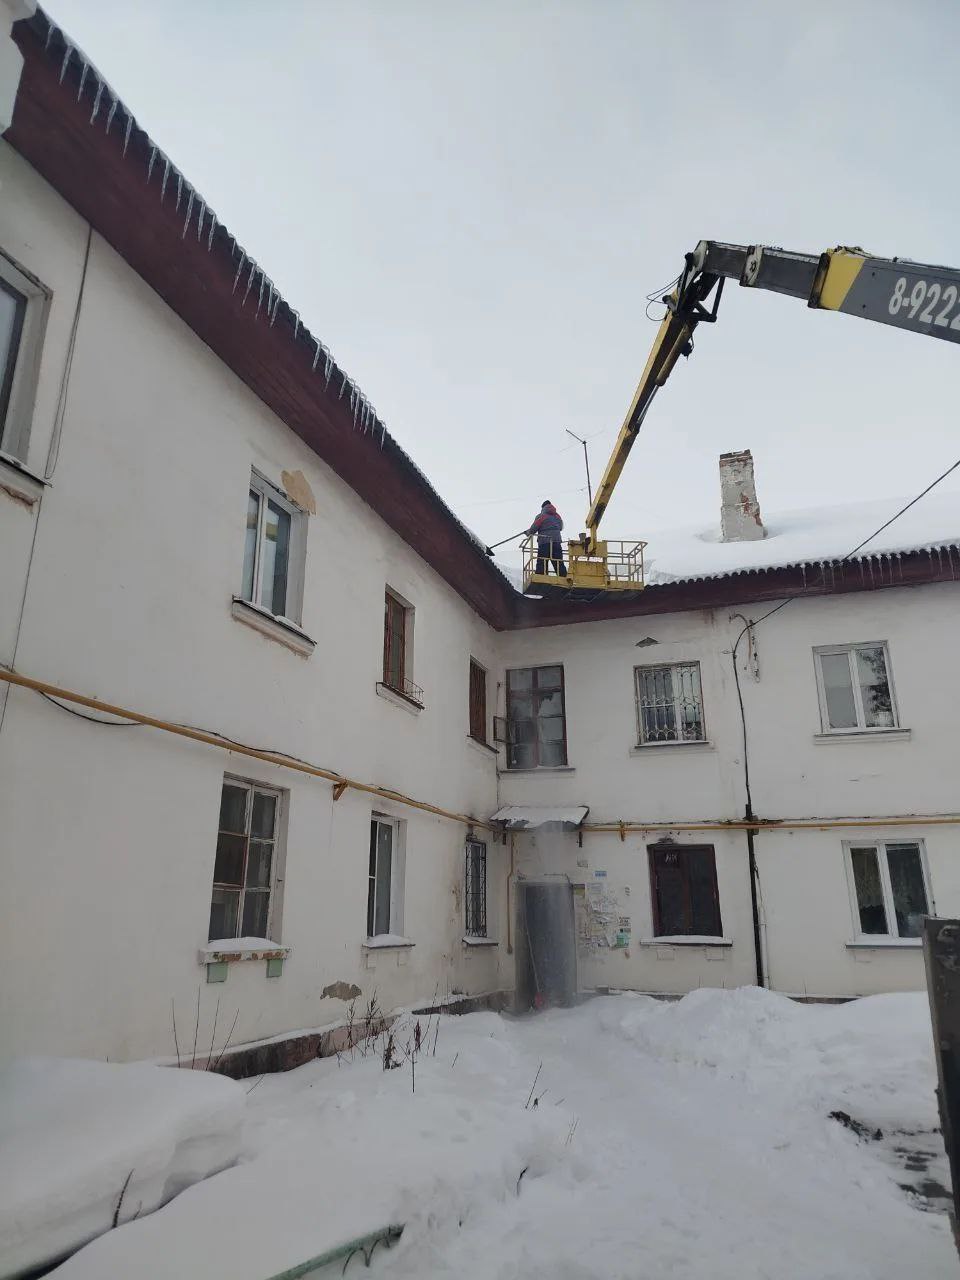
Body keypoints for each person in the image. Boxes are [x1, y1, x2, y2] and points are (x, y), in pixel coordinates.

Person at [526, 500, 567, 576]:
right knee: (558, 562)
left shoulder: (541, 516)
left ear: (543, 508)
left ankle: (540, 577)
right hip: (556, 542)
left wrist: (528, 532)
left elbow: (534, 528)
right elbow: (560, 527)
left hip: (544, 542)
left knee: (542, 563)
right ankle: (564, 577)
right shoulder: (557, 516)